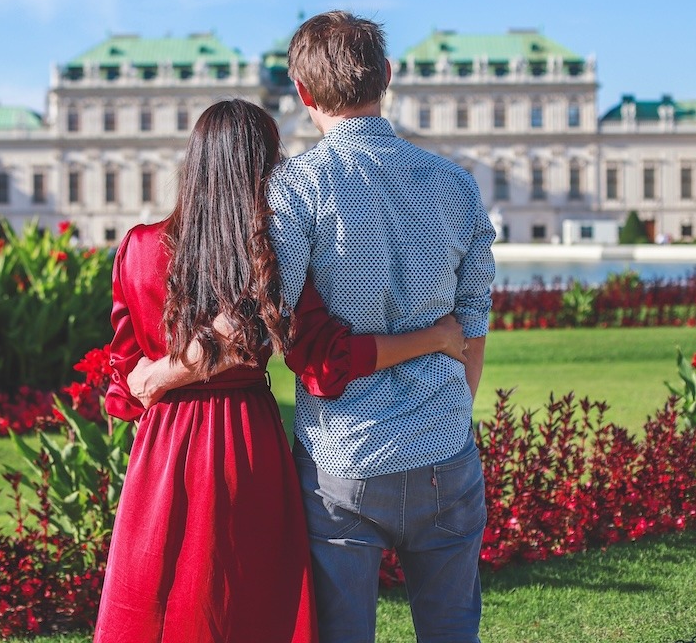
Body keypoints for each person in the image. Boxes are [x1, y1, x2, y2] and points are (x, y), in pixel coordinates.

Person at [93, 98, 470, 643]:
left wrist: (147, 381)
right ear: (267, 167)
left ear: (193, 162)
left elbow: (124, 384)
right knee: (249, 604)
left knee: (160, 596)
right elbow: (326, 361)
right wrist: (433, 337)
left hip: (165, 445)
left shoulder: (138, 248)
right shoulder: (269, 251)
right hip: (247, 442)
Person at [269, 10, 497, 642]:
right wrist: (451, 413)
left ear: (304, 94)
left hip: (343, 452)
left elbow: (273, 319)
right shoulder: (456, 185)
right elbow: (472, 324)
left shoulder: (295, 188)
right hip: (443, 446)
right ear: (387, 77)